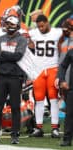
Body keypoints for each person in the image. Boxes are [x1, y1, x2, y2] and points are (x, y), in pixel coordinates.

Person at [0, 14, 27, 144]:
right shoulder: (0, 38)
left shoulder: (21, 39)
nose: (9, 26)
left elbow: (18, 56)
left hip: (16, 77)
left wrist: (3, 54)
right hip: (1, 77)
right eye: (7, 24)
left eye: (12, 24)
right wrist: (8, 56)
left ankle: (15, 135)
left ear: (17, 25)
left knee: (15, 107)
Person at [28, 14, 62, 138]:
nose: (41, 29)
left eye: (42, 26)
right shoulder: (33, 33)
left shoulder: (57, 32)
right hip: (38, 71)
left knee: (53, 99)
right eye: (39, 26)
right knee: (39, 100)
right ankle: (38, 128)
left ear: (47, 22)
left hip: (53, 68)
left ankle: (54, 128)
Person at [57, 19, 73, 147]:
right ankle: (67, 139)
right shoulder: (69, 49)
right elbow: (62, 65)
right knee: (70, 114)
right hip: (71, 86)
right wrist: (62, 80)